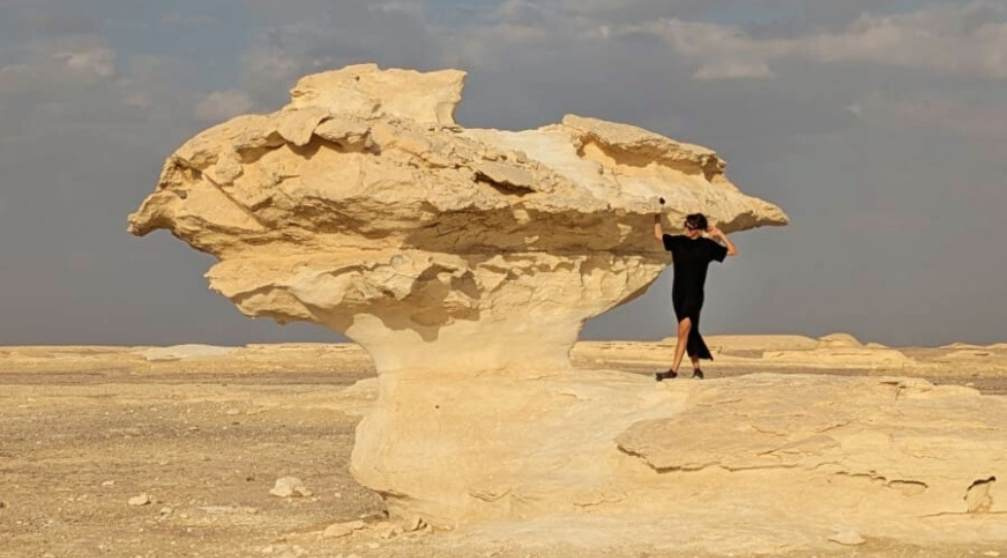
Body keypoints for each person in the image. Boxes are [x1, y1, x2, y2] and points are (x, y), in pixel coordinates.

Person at [653, 209, 737, 380]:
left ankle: (673, 371)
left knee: (683, 330)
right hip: (678, 294)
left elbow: (732, 251)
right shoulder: (678, 242)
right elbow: (658, 235)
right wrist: (657, 214)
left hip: (694, 296)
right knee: (690, 331)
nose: (688, 230)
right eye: (686, 226)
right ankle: (697, 368)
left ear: (699, 229)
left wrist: (720, 234)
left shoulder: (707, 246)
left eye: (691, 228)